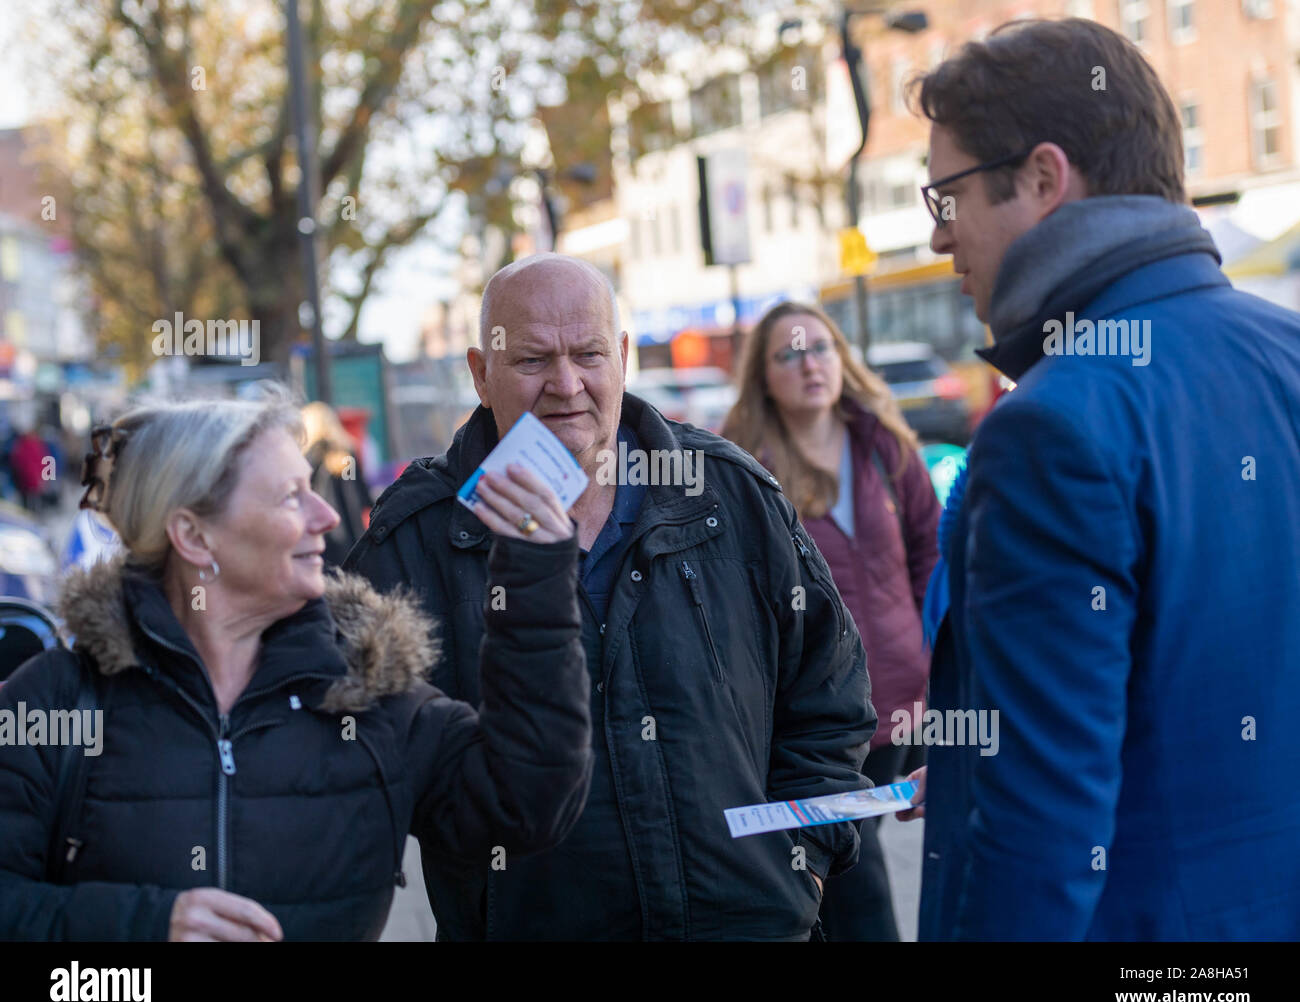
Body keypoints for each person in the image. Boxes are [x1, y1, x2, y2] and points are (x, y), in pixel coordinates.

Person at [902, 16, 1300, 940]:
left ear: (1043, 178)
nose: (937, 239)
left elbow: (1040, 828)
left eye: (947, 197)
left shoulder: (1052, 423)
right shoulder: (1286, 356)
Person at [345, 253, 875, 941]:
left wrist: (799, 861)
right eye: (533, 359)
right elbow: (360, 759)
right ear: (481, 373)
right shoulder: (414, 540)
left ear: (622, 357)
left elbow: (828, 700)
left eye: (589, 353)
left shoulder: (728, 494)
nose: (566, 385)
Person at [0, 391, 592, 941]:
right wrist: (145, 930)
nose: (326, 517)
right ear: (194, 537)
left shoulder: (369, 694)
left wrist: (534, 581)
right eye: (291, 497)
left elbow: (524, 805)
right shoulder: (55, 704)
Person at [723, 301, 939, 941]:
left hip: (908, 704)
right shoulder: (748, 472)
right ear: (764, 377)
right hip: (825, 721)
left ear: (841, 359)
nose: (808, 364)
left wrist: (935, 662)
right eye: (787, 353)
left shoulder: (884, 446)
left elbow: (930, 553)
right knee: (856, 886)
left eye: (819, 348)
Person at [301, 402, 375, 566]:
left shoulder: (307, 455)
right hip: (347, 526)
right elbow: (356, 491)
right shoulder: (346, 452)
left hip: (319, 526)